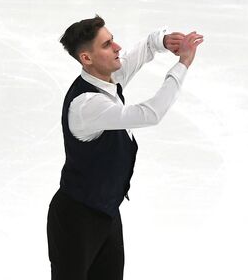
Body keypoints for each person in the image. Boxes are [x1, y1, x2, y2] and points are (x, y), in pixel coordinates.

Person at [47, 15, 203, 280]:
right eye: (107, 44)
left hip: (106, 212)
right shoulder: (86, 105)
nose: (117, 47)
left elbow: (141, 50)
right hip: (76, 219)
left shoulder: (109, 76)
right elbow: (150, 113)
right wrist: (183, 64)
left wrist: (162, 41)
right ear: (87, 58)